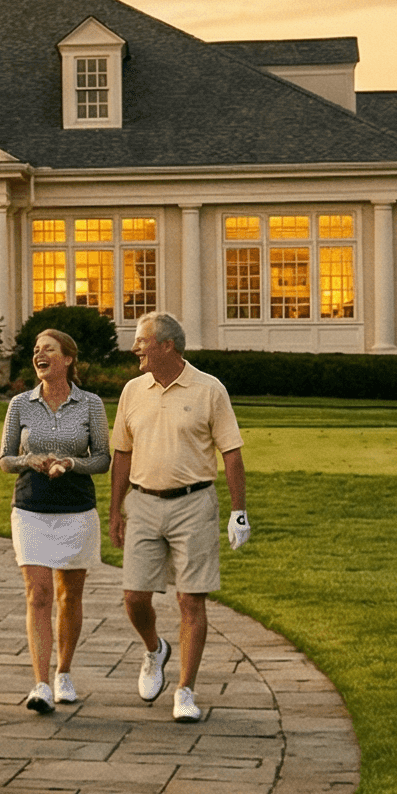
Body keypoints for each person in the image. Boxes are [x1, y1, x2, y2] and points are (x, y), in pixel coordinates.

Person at [108, 310, 250, 723]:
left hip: (195, 504)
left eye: (142, 341)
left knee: (191, 600)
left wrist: (239, 512)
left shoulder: (210, 390)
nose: (135, 348)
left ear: (167, 345)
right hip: (144, 503)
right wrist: (115, 509)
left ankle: (185, 690)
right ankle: (155, 649)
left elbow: (232, 453)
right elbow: (122, 453)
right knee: (134, 597)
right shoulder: (133, 391)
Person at [0, 328, 107, 714]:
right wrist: (31, 460)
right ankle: (41, 683)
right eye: (36, 350)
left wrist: (71, 464)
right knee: (38, 594)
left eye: (48, 349)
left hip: (77, 509)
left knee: (69, 595)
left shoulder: (91, 404)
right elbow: (5, 459)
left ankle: (64, 672)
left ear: (68, 359)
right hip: (31, 508)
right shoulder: (20, 405)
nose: (39, 355)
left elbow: (103, 459)